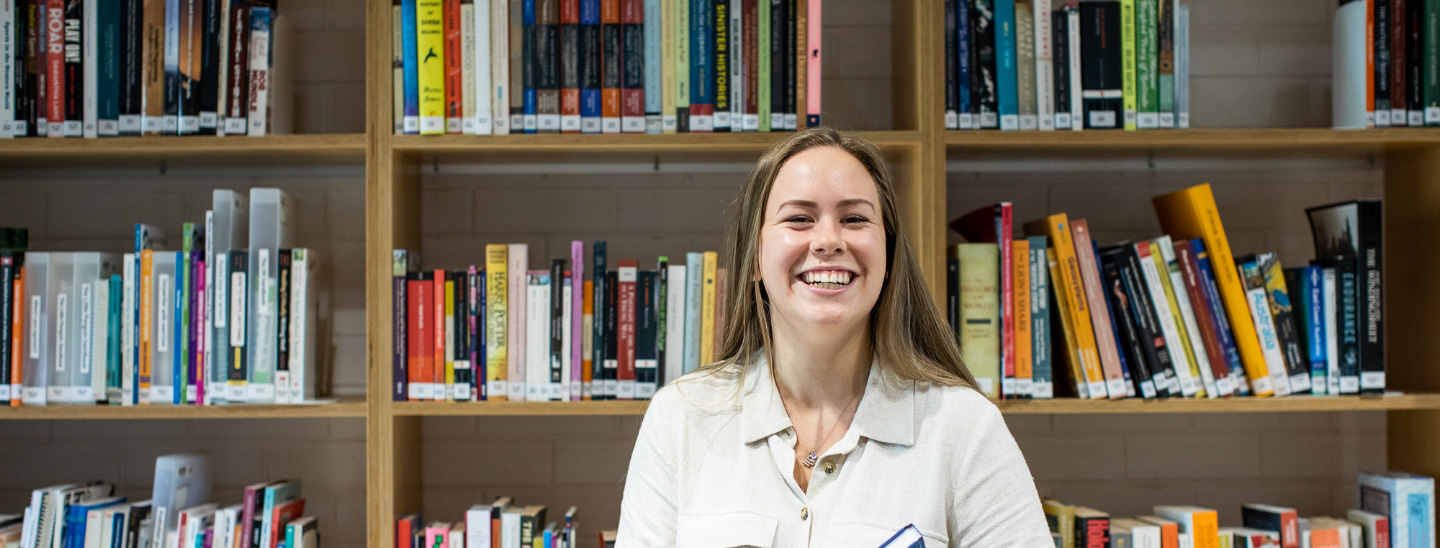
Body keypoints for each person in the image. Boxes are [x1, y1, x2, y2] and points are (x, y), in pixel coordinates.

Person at [616, 127, 1053, 547]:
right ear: (753, 258)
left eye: (855, 218)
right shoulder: (678, 419)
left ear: (889, 255)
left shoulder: (964, 428)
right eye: (800, 218)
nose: (828, 240)